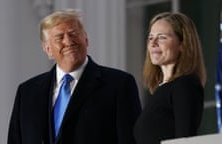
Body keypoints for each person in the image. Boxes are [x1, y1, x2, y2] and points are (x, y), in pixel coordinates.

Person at [8, 9, 141, 144]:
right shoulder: (27, 92)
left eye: (73, 34)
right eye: (60, 37)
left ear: (86, 39)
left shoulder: (119, 84)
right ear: (48, 49)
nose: (69, 42)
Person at [133, 12, 206, 144]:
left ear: (182, 44)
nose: (153, 43)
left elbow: (185, 140)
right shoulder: (161, 90)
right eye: (150, 38)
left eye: (162, 37)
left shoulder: (185, 85)